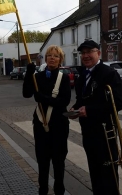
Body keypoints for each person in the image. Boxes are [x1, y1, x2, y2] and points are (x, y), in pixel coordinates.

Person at [69, 40, 122, 195]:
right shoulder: (82, 76)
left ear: (98, 53)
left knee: (108, 173)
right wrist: (75, 108)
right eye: (83, 53)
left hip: (105, 132)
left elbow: (118, 103)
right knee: (94, 170)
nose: (85, 56)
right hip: (88, 131)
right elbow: (82, 100)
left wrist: (90, 111)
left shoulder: (109, 73)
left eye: (89, 52)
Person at [23, 45, 71, 195]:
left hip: (59, 125)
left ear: (60, 60)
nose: (52, 58)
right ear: (45, 58)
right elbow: (26, 94)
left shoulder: (63, 78)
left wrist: (43, 98)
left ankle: (59, 190)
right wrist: (29, 74)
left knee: (58, 161)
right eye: (49, 55)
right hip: (40, 123)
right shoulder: (38, 77)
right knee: (43, 161)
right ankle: (42, 190)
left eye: (56, 56)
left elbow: (64, 101)